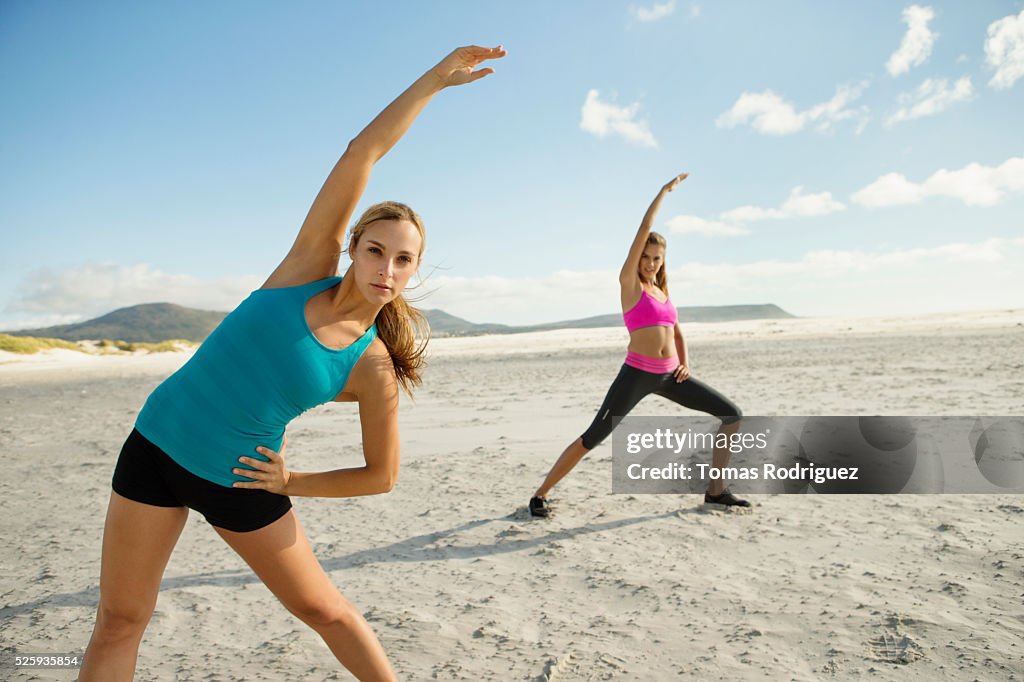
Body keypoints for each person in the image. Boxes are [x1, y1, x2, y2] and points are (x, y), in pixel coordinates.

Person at [80, 45, 507, 681]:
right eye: (375, 250)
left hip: (239, 480)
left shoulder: (374, 365)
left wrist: (292, 481)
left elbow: (381, 475)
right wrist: (434, 82)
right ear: (354, 248)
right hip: (154, 444)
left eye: (403, 260)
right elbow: (361, 152)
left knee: (325, 611)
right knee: (120, 620)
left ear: (415, 270)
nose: (385, 269)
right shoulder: (305, 269)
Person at [529, 172, 749, 518]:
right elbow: (643, 230)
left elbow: (677, 333)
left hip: (670, 376)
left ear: (664, 261)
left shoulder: (663, 292)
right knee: (594, 436)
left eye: (656, 258)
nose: (650, 263)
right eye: (646, 257)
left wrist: (685, 363)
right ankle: (540, 494)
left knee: (731, 415)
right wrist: (663, 193)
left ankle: (716, 491)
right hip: (636, 375)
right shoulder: (630, 284)